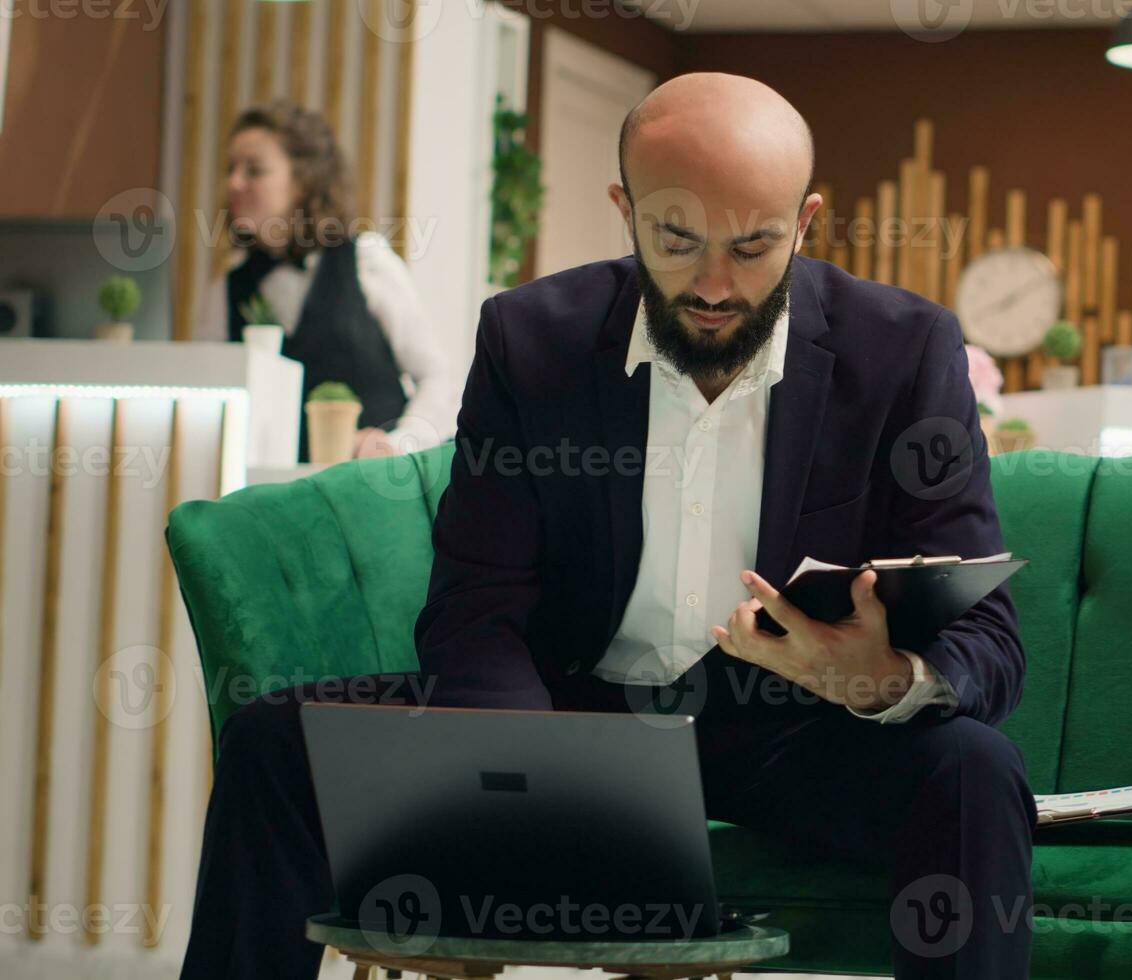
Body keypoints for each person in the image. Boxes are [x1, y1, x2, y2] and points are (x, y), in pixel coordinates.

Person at [180, 73, 1035, 979]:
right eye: (676, 240)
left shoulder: (903, 350)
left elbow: (990, 637)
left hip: (795, 731)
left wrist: (879, 678)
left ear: (807, 221)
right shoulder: (529, 337)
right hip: (570, 714)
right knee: (272, 746)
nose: (714, 285)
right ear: (624, 209)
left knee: (972, 772)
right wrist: (525, 763)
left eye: (753, 246)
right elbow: (478, 602)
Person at [193, 100, 456, 460]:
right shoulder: (226, 289)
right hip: (277, 499)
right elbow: (208, 397)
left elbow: (437, 377)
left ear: (303, 182)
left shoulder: (366, 260)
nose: (234, 183)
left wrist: (398, 445)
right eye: (231, 169)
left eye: (254, 170)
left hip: (377, 493)